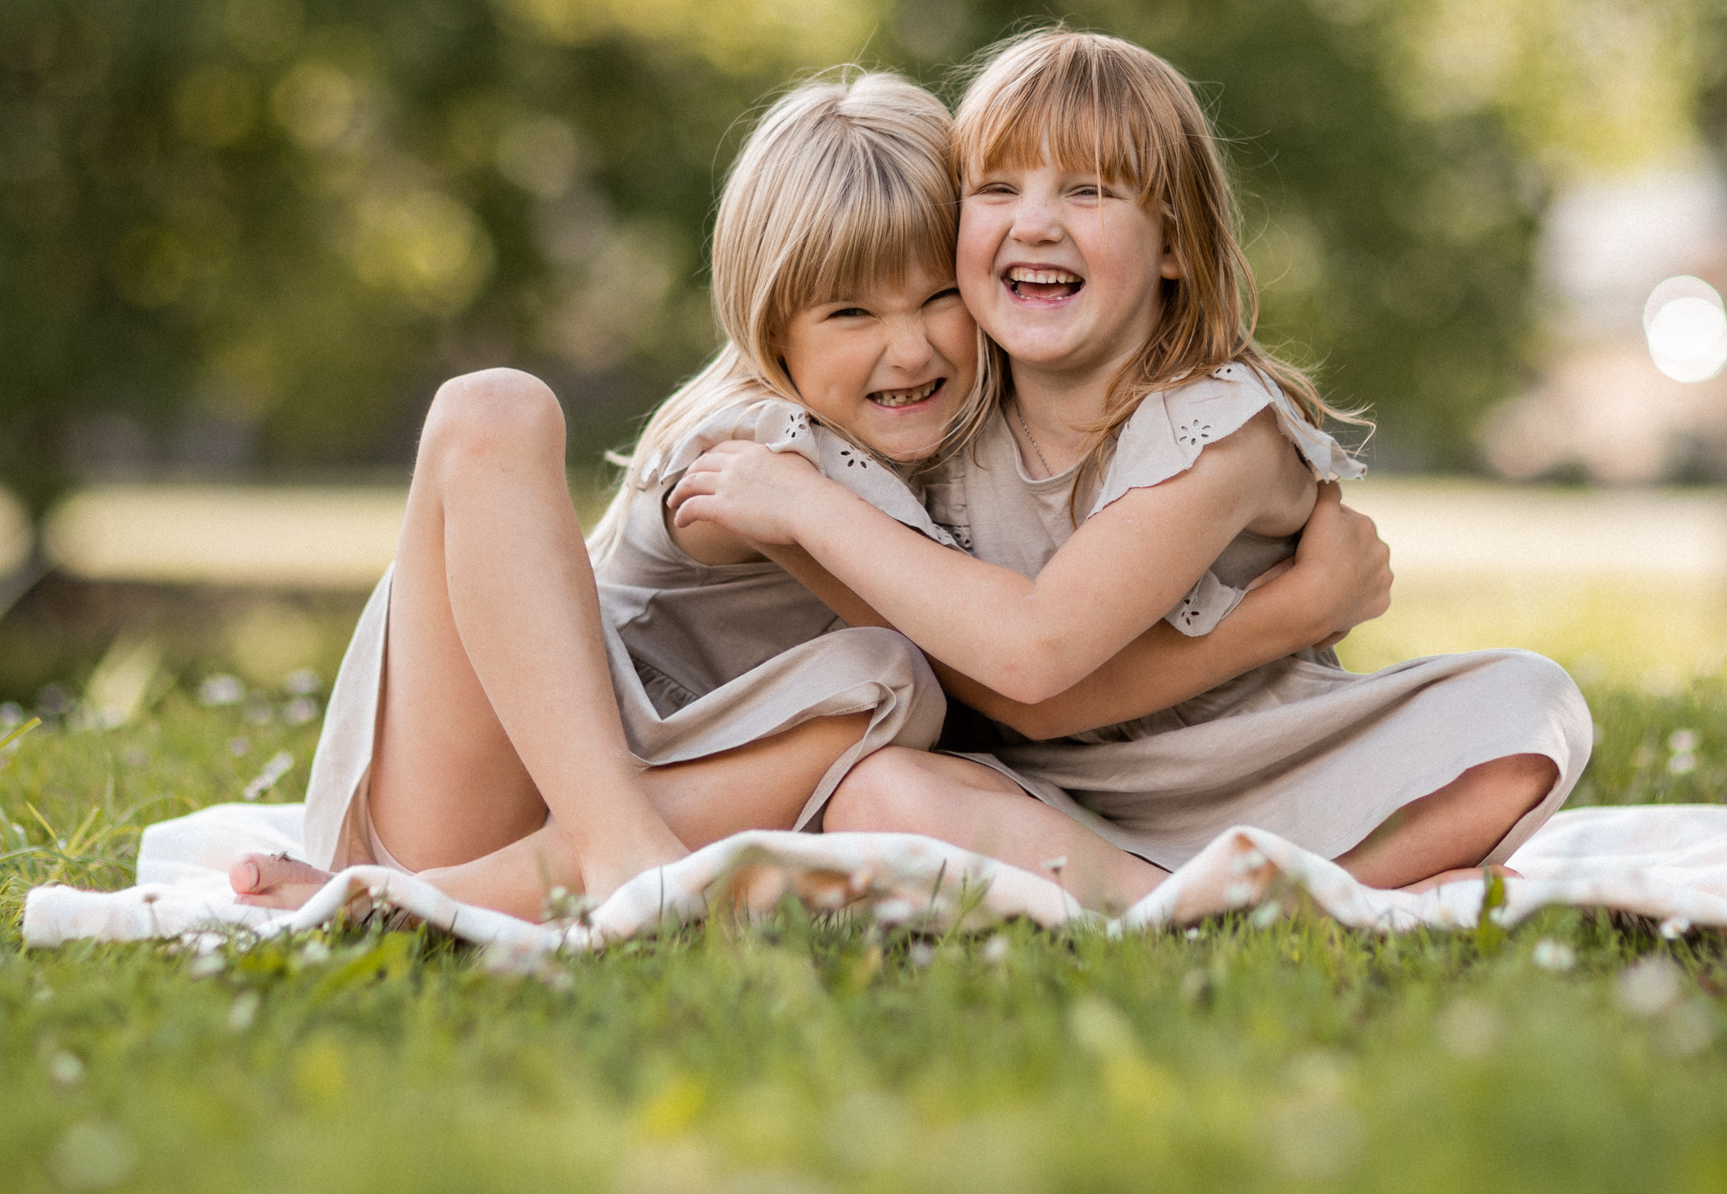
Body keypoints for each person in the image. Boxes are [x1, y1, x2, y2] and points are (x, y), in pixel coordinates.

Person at [233, 70, 1380, 919]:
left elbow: (1028, 674)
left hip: (596, 820)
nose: (909, 349)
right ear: (765, 326)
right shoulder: (762, 452)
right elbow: (1017, 672)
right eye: (848, 314)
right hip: (481, 789)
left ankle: (492, 879)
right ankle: (538, 866)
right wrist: (1286, 611)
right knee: (494, 407)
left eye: (937, 294)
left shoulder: (964, 459)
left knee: (887, 688)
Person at [669, 32, 1593, 911]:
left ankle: (1333, 883)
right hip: (1057, 785)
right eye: (996, 187)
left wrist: (801, 504)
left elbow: (1035, 659)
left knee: (1527, 704)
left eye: (1088, 191)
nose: (1035, 222)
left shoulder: (1216, 428)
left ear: (1176, 247)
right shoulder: (942, 412)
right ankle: (1223, 907)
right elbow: (1004, 694)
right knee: (878, 794)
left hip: (1259, 757)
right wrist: (1299, 607)